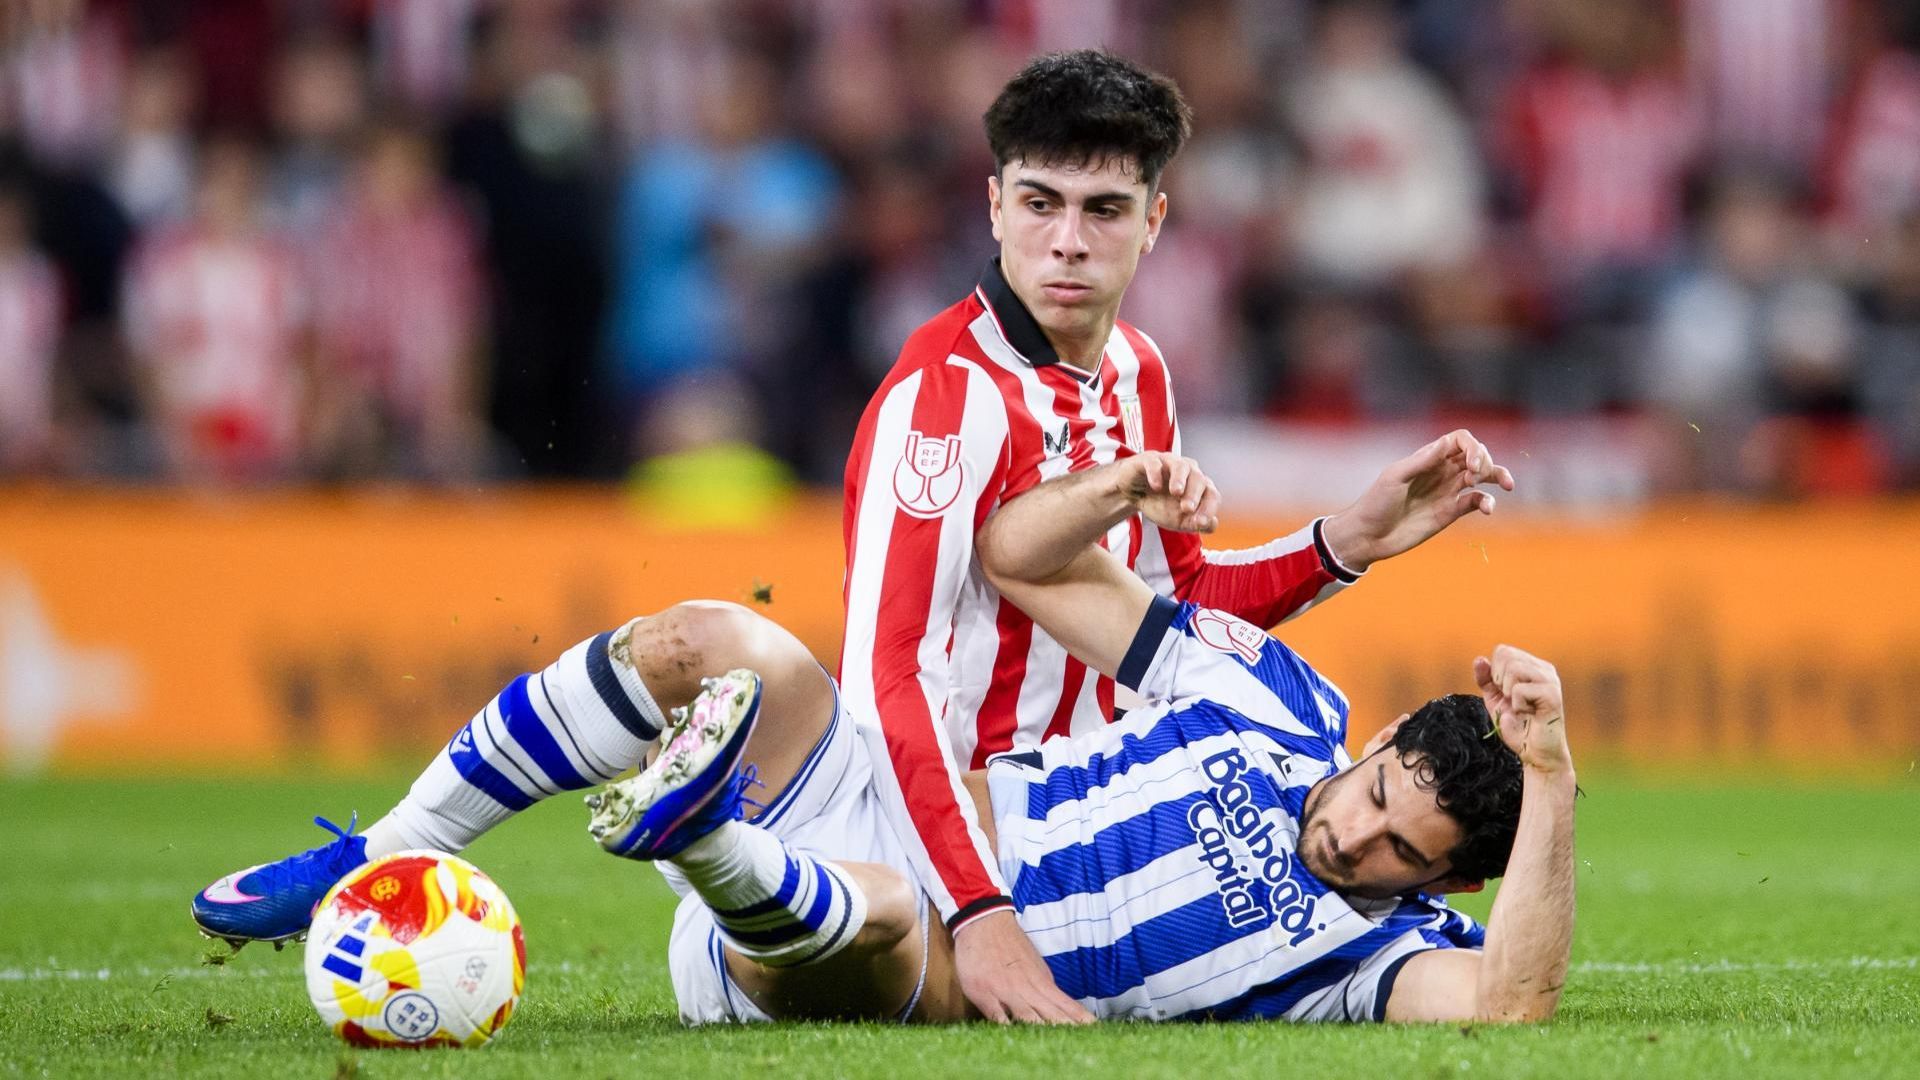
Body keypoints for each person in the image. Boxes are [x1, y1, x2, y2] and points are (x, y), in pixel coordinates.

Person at [189, 435, 1561, 1025]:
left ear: (1442, 887)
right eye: (1375, 790)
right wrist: (1122, 495)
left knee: (894, 913)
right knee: (718, 641)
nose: (1353, 832)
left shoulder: (1376, 957)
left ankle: (709, 836)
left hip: (900, 940)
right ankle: (378, 856)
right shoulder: (1281, 702)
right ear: (1373, 739)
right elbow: (1017, 555)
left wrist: (1549, 773)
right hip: (903, 803)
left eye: (1395, 851)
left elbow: (1513, 1001)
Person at [838, 48, 1514, 1024]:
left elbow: (1174, 614)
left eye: (1104, 210)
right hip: (947, 840)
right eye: (1041, 203)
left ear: (1153, 221)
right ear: (993, 206)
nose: (1068, 241)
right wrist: (976, 907)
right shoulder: (944, 397)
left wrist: (1345, 542)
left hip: (1089, 842)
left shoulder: (1139, 375)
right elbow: (886, 676)